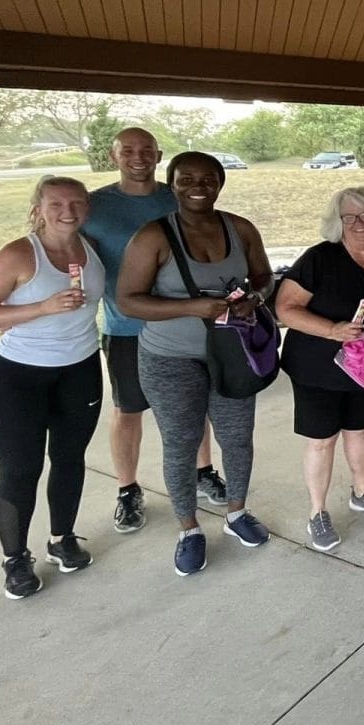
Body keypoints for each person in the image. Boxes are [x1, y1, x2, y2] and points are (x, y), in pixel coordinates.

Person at [116, 151, 275, 577]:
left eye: (208, 178)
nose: (198, 186)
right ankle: (188, 529)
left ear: (221, 183)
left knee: (238, 438)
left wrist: (255, 299)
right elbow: (128, 300)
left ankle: (237, 513)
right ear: (172, 184)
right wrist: (195, 307)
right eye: (186, 179)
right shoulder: (153, 237)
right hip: (170, 358)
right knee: (182, 444)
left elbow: (263, 276)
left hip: (232, 354)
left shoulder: (239, 228)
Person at [0, 175, 105, 599]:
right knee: (21, 470)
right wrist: (41, 307)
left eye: (77, 203)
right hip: (18, 376)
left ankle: (63, 539)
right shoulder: (20, 254)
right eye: (56, 203)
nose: (68, 211)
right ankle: (15, 560)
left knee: (69, 458)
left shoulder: (89, 249)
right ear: (38, 208)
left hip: (79, 369)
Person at [83, 127, 229, 535]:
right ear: (114, 156)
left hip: (187, 326)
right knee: (129, 410)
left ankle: (203, 472)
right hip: (126, 326)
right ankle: (128, 490)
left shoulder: (179, 197)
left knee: (193, 405)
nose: (138, 156)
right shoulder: (95, 206)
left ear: (159, 155)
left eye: (146, 149)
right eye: (128, 150)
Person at [276, 188, 364, 551]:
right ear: (337, 222)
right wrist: (333, 330)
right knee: (322, 440)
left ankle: (361, 491)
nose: (358, 223)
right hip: (316, 367)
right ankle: (318, 512)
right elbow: (286, 309)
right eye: (349, 217)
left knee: (359, 430)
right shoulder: (319, 259)